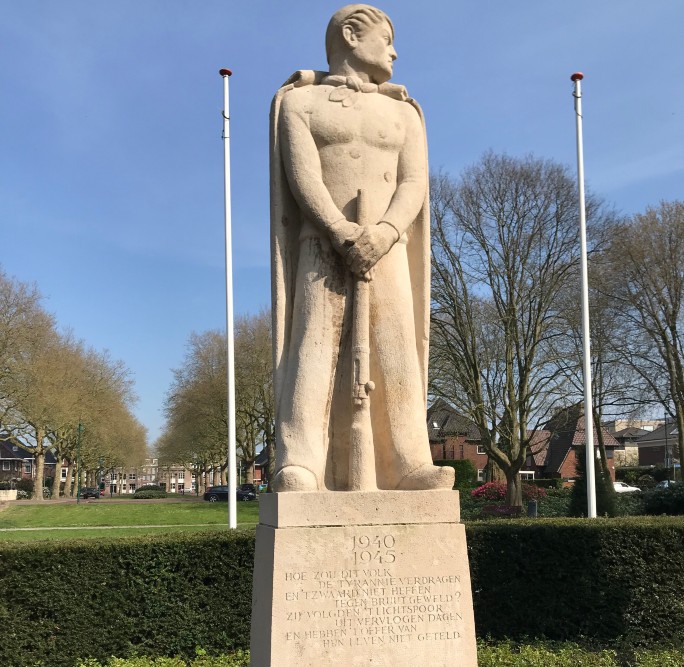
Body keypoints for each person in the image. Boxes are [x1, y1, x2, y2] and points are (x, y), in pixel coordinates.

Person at [270, 4, 454, 492]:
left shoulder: (403, 113)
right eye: (387, 38)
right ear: (352, 35)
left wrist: (387, 231)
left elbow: (414, 182)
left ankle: (409, 460)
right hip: (322, 244)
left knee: (396, 349)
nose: (394, 51)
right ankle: (301, 462)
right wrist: (339, 229)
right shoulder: (300, 104)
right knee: (313, 346)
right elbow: (301, 175)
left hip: (387, 247)